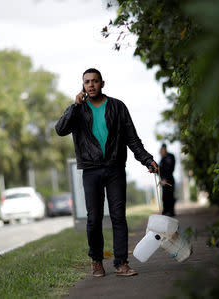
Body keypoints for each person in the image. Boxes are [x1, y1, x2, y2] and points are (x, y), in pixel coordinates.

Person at [55, 68, 159, 278]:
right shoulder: (78, 110)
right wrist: (73, 106)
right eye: (87, 82)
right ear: (82, 85)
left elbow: (132, 139)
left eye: (94, 81)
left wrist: (147, 159)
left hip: (114, 168)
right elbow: (60, 130)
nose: (91, 85)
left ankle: (121, 263)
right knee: (93, 219)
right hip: (91, 171)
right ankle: (96, 261)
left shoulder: (118, 107)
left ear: (102, 83)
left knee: (118, 217)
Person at [159, 143, 176, 217]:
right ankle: (165, 211)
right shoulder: (162, 159)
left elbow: (169, 169)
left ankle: (170, 212)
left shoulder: (169, 156)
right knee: (165, 197)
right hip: (163, 181)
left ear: (164, 149)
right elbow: (160, 170)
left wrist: (165, 178)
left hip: (169, 180)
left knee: (169, 197)